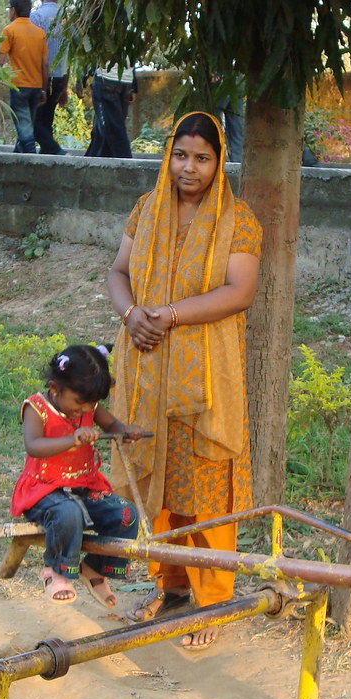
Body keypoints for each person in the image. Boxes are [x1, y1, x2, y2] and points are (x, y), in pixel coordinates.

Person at [107, 112, 262, 650]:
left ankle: (213, 602)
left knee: (207, 484)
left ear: (219, 163)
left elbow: (239, 292)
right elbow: (118, 273)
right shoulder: (147, 210)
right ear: (167, 155)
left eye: (201, 157)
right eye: (180, 155)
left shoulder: (237, 220)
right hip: (148, 368)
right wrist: (131, 315)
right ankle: (171, 589)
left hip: (206, 381)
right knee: (161, 482)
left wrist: (168, 314)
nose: (188, 168)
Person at [10, 344, 147, 607]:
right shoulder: (36, 407)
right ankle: (57, 572)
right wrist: (71, 440)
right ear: (54, 388)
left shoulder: (90, 407)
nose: (85, 411)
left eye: (91, 405)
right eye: (79, 403)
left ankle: (95, 569)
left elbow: (112, 425)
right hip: (45, 491)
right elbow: (33, 445)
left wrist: (125, 431)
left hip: (84, 486)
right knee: (68, 513)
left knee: (126, 514)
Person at [0, 0, 48, 154]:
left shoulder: (9, 30)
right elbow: (45, 64)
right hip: (36, 86)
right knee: (25, 126)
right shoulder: (40, 33)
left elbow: (1, 60)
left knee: (24, 128)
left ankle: (32, 158)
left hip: (18, 85)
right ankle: (17, 161)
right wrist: (44, 89)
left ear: (13, 10)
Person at [30, 0, 68, 155]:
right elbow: (67, 55)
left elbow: (32, 50)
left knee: (32, 121)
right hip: (59, 77)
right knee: (47, 121)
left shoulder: (36, 17)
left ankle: (55, 150)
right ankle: (48, 156)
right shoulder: (66, 19)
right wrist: (65, 87)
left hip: (40, 76)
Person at [84, 64, 136, 158]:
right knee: (103, 131)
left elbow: (90, 53)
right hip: (126, 79)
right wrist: (133, 87)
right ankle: (90, 164)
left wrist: (83, 80)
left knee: (114, 130)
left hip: (106, 78)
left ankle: (127, 166)